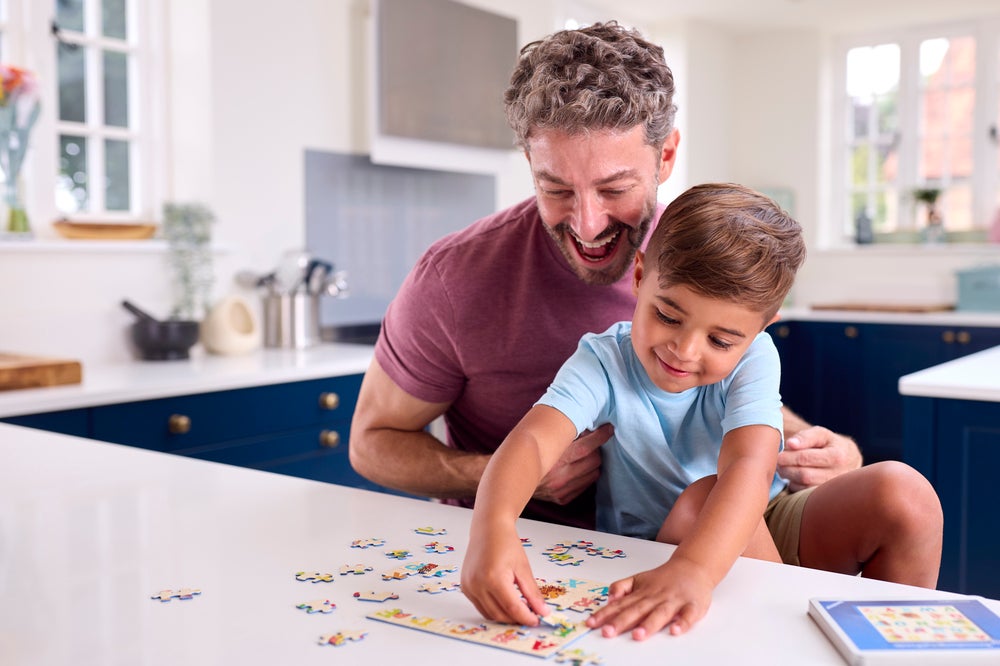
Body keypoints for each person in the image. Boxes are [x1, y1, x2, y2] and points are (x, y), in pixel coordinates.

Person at [349, 21, 940, 574]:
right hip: (562, 557)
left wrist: (826, 452)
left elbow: (728, 394)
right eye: (554, 188)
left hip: (729, 522)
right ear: (529, 162)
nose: (585, 224)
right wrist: (496, 478)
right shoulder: (457, 279)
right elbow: (370, 445)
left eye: (614, 188)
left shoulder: (691, 253)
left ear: (665, 157)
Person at [460, 183, 940, 641]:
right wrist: (493, 527)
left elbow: (749, 467)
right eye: (668, 316)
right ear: (641, 277)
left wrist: (697, 571)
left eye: (721, 340)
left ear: (758, 331)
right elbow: (531, 441)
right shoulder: (603, 360)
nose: (684, 351)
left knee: (905, 494)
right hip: (667, 545)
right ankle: (786, 637)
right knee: (700, 501)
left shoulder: (756, 357)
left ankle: (887, 648)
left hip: (762, 521)